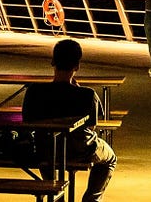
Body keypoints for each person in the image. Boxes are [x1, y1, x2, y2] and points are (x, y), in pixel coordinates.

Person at [22, 40, 117, 202]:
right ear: (77, 66)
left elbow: (27, 121)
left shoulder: (34, 92)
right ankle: (91, 199)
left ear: (53, 62)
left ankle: (56, 194)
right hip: (79, 150)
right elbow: (92, 126)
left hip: (46, 149)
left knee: (46, 152)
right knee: (110, 159)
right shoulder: (87, 94)